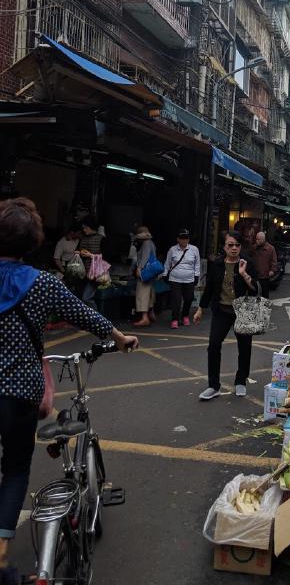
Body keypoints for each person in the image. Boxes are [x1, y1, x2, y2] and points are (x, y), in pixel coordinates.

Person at [0, 198, 139, 582]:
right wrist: (121, 337)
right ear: (34, 242)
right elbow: (86, 315)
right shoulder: (42, 283)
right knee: (13, 471)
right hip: (21, 394)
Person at [194, 231, 257, 400]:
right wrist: (201, 308)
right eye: (230, 245)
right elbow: (209, 288)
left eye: (237, 245)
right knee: (214, 345)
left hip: (243, 311)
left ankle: (241, 381)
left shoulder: (247, 262)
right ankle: (213, 386)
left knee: (244, 348)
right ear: (224, 247)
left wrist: (244, 274)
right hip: (221, 310)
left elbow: (257, 289)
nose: (234, 248)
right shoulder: (217, 264)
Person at [163, 229, 200, 329]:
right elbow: (167, 263)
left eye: (186, 238)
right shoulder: (172, 249)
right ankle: (175, 319)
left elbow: (197, 264)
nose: (184, 240)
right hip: (175, 279)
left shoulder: (194, 249)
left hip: (189, 279)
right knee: (176, 300)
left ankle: (185, 315)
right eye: (182, 238)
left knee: (189, 298)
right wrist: (165, 274)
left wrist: (196, 276)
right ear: (178, 239)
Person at [77, 215, 107, 306]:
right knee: (81, 298)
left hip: (95, 273)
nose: (84, 230)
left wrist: (91, 255)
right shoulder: (83, 238)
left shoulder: (102, 239)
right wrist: (79, 252)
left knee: (86, 298)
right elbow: (77, 250)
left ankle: (96, 318)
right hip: (83, 273)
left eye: (85, 228)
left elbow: (106, 258)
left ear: (91, 227)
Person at [132, 226, 157, 328]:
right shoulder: (151, 243)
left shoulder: (146, 243)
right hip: (150, 272)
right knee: (149, 292)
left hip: (145, 272)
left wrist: (139, 268)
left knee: (142, 293)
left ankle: (144, 318)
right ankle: (151, 313)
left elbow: (145, 257)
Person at [252, 231, 278, 299]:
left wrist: (272, 270)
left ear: (263, 239)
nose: (256, 241)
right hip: (255, 275)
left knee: (265, 294)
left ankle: (265, 307)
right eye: (256, 239)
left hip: (265, 275)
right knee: (255, 293)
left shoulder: (270, 248)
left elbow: (274, 261)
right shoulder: (254, 248)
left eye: (258, 239)